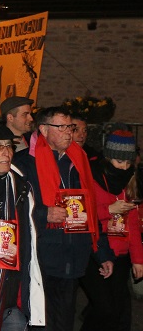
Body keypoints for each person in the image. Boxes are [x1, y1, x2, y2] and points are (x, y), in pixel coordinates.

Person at [13, 106, 115, 331]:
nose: (69, 132)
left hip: (73, 254)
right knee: (41, 322)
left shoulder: (78, 162)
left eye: (70, 127)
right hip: (42, 257)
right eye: (62, 127)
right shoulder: (23, 163)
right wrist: (43, 213)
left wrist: (101, 252)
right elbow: (12, 209)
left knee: (64, 322)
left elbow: (90, 210)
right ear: (44, 130)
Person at [0, 124, 45, 330]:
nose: (6, 152)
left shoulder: (20, 186)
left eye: (9, 146)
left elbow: (30, 244)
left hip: (13, 296)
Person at [80, 129, 143, 330]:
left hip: (121, 252)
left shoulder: (130, 180)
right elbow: (81, 216)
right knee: (103, 308)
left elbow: (132, 223)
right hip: (96, 248)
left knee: (116, 311)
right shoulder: (92, 177)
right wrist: (109, 210)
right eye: (119, 162)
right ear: (108, 158)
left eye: (128, 163)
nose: (124, 168)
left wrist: (138, 260)